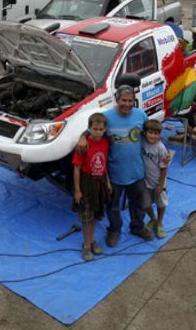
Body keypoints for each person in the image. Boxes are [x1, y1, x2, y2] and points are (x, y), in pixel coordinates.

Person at [75, 85, 154, 247]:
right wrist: (82, 137)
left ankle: (137, 227)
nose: (127, 104)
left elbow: (151, 134)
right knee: (112, 206)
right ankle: (114, 230)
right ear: (117, 100)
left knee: (138, 203)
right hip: (113, 174)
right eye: (123, 100)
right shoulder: (107, 117)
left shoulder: (141, 115)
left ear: (134, 101)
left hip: (136, 171)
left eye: (130, 100)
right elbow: (91, 130)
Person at [72, 112, 111, 262]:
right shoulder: (83, 145)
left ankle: (92, 240)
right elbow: (76, 168)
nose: (98, 132)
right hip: (86, 184)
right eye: (95, 129)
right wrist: (77, 190)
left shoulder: (106, 142)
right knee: (86, 217)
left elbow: (105, 164)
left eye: (101, 129)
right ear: (89, 128)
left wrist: (107, 182)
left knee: (95, 215)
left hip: (99, 183)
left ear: (105, 129)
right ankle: (86, 245)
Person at [141, 119, 170, 239]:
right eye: (151, 133)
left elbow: (164, 168)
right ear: (145, 133)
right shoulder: (142, 142)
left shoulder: (161, 148)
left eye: (156, 133)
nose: (153, 136)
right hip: (145, 182)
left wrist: (160, 185)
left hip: (158, 183)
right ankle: (153, 219)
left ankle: (159, 223)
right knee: (145, 204)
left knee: (161, 204)